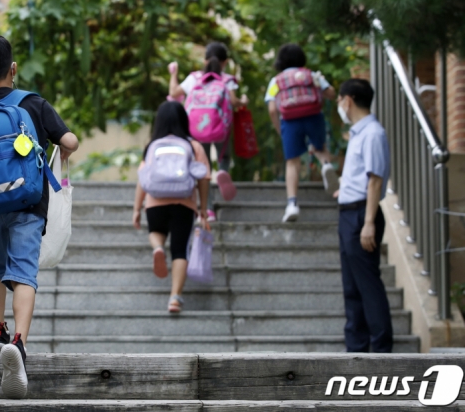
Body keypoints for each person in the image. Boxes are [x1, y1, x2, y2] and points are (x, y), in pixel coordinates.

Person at [0, 34, 79, 398]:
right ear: (13, 69)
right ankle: (19, 342)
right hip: (28, 205)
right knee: (23, 272)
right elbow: (70, 141)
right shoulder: (32, 103)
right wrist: (62, 146)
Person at [132, 101, 211, 313]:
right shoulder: (193, 145)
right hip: (184, 203)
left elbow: (142, 178)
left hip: (155, 202)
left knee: (156, 232)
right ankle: (175, 297)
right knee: (180, 251)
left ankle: (157, 247)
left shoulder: (151, 145)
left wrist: (136, 209)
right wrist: (203, 208)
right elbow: (204, 177)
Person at [334, 78, 393, 353]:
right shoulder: (359, 133)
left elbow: (375, 181)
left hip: (361, 216)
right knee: (352, 287)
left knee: (368, 285)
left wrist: (368, 222)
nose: (339, 106)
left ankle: (381, 351)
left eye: (339, 100)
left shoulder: (372, 133)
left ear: (349, 100)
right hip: (350, 212)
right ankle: (356, 351)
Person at [168, 42, 248, 221]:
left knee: (203, 168)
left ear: (204, 60)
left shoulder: (194, 78)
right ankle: (223, 172)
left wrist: (173, 73)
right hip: (220, 127)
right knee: (224, 156)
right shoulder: (227, 80)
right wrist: (243, 101)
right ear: (225, 62)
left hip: (197, 129)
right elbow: (234, 102)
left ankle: (208, 209)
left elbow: (173, 93)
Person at [265, 43, 339, 222]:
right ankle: (326, 165)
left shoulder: (276, 81)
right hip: (314, 116)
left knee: (293, 162)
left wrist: (279, 129)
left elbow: (273, 109)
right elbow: (331, 93)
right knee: (320, 148)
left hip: (290, 121)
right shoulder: (311, 75)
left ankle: (292, 204)